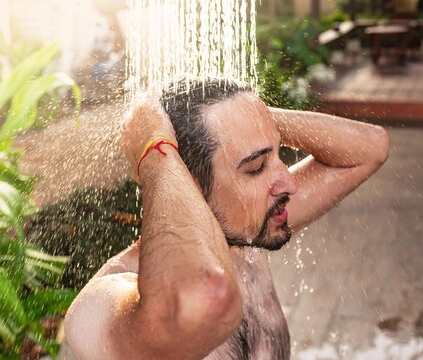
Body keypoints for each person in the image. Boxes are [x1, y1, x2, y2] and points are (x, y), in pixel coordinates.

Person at [63, 78, 390, 359]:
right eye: (255, 168)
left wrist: (245, 119)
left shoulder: (248, 237)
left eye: (277, 154)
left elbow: (369, 148)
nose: (287, 182)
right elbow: (206, 295)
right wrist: (156, 152)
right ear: (189, 184)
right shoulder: (101, 306)